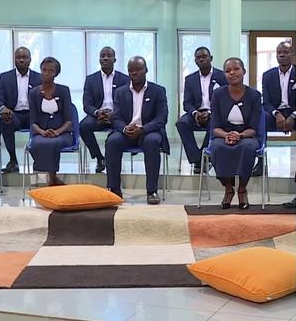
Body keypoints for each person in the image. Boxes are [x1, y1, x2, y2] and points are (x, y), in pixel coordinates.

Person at [105, 56, 169, 204]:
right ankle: (114, 190)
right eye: (131, 70)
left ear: (146, 70)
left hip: (148, 131)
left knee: (152, 142)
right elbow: (116, 117)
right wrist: (124, 128)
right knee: (112, 142)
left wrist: (143, 129)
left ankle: (152, 191)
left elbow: (161, 118)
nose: (134, 73)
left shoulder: (158, 91)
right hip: (127, 132)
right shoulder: (120, 92)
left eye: (138, 69)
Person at [210, 58, 261, 210]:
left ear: (243, 71)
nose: (232, 73)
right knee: (217, 147)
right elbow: (215, 127)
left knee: (247, 148)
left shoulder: (254, 95)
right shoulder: (218, 94)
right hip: (223, 134)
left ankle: (242, 189)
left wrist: (240, 136)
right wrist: (226, 135)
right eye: (228, 71)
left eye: (236, 69)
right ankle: (228, 188)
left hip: (247, 135)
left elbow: (254, 128)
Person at [176, 46, 228, 173]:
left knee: (215, 123)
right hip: (196, 113)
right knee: (181, 123)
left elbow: (225, 100)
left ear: (211, 58)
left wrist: (209, 113)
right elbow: (187, 103)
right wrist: (195, 113)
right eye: (198, 58)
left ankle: (206, 157)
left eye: (204, 57)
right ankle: (197, 160)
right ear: (195, 61)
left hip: (215, 113)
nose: (201, 60)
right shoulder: (190, 79)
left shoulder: (222, 76)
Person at [80, 46, 129, 172]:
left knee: (116, 135)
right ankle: (99, 158)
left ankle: (112, 159)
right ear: (99, 59)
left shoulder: (124, 79)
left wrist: (114, 114)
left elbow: (128, 102)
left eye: (109, 56)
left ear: (115, 59)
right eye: (103, 56)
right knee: (83, 126)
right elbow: (87, 104)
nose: (105, 58)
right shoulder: (91, 79)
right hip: (98, 115)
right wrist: (97, 113)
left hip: (117, 116)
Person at [252, 41, 296, 176]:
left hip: (295, 111)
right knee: (260, 118)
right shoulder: (268, 75)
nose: (281, 55)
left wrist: (294, 115)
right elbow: (266, 102)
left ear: (293, 54)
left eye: (285, 52)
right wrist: (276, 114)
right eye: (279, 53)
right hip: (275, 112)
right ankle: (260, 162)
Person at [0, 47, 42, 173]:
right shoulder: (5, 77)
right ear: (14, 59)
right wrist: (3, 108)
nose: (21, 60)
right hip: (13, 114)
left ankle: (40, 160)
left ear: (30, 60)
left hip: (33, 115)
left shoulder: (39, 78)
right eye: (18, 57)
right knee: (5, 121)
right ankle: (13, 160)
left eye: (24, 57)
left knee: (45, 122)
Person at [28, 57, 73, 186]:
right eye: (44, 70)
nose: (46, 73)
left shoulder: (63, 91)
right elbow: (33, 122)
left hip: (62, 133)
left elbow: (69, 120)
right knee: (37, 144)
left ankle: (51, 180)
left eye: (50, 71)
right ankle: (50, 179)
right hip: (41, 133)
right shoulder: (33, 93)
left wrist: (57, 132)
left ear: (56, 73)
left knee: (52, 143)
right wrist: (42, 132)